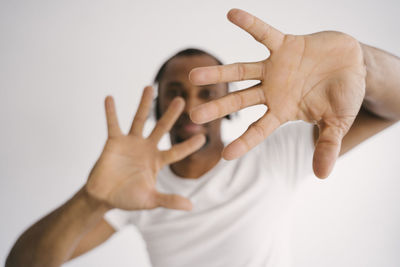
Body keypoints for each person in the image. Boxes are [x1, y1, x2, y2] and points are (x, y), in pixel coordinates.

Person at [6, 8, 400, 267]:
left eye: (206, 93)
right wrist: (91, 199)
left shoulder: (275, 153)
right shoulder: (138, 187)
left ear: (228, 104)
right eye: (175, 92)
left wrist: (362, 60)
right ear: (159, 103)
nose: (191, 106)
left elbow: (394, 105)